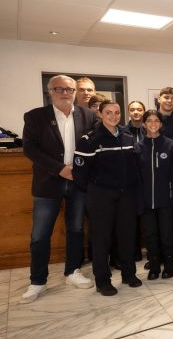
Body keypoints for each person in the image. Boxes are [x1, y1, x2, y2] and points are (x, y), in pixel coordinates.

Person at [21, 75, 96, 303]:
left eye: (69, 89)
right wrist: (59, 169)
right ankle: (38, 281)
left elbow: (94, 146)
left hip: (78, 182)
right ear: (50, 92)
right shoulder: (35, 116)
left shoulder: (88, 115)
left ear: (74, 92)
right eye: (59, 89)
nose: (65, 93)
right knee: (40, 234)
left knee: (75, 228)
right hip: (48, 183)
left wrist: (80, 170)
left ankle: (72, 271)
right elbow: (30, 149)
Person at [73, 100, 142, 296]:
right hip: (101, 195)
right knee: (101, 238)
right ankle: (103, 280)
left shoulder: (128, 136)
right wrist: (95, 190)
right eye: (109, 112)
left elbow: (135, 165)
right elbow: (80, 172)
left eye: (117, 112)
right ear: (101, 114)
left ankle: (129, 274)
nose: (113, 116)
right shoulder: (90, 139)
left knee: (127, 235)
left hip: (126, 194)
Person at [134, 109, 173, 280]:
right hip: (145, 201)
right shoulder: (137, 147)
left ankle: (169, 265)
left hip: (165, 199)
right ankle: (154, 266)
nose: (153, 124)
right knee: (150, 235)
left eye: (156, 121)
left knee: (167, 234)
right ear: (144, 124)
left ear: (161, 124)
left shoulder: (170, 145)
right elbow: (135, 176)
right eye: (149, 121)